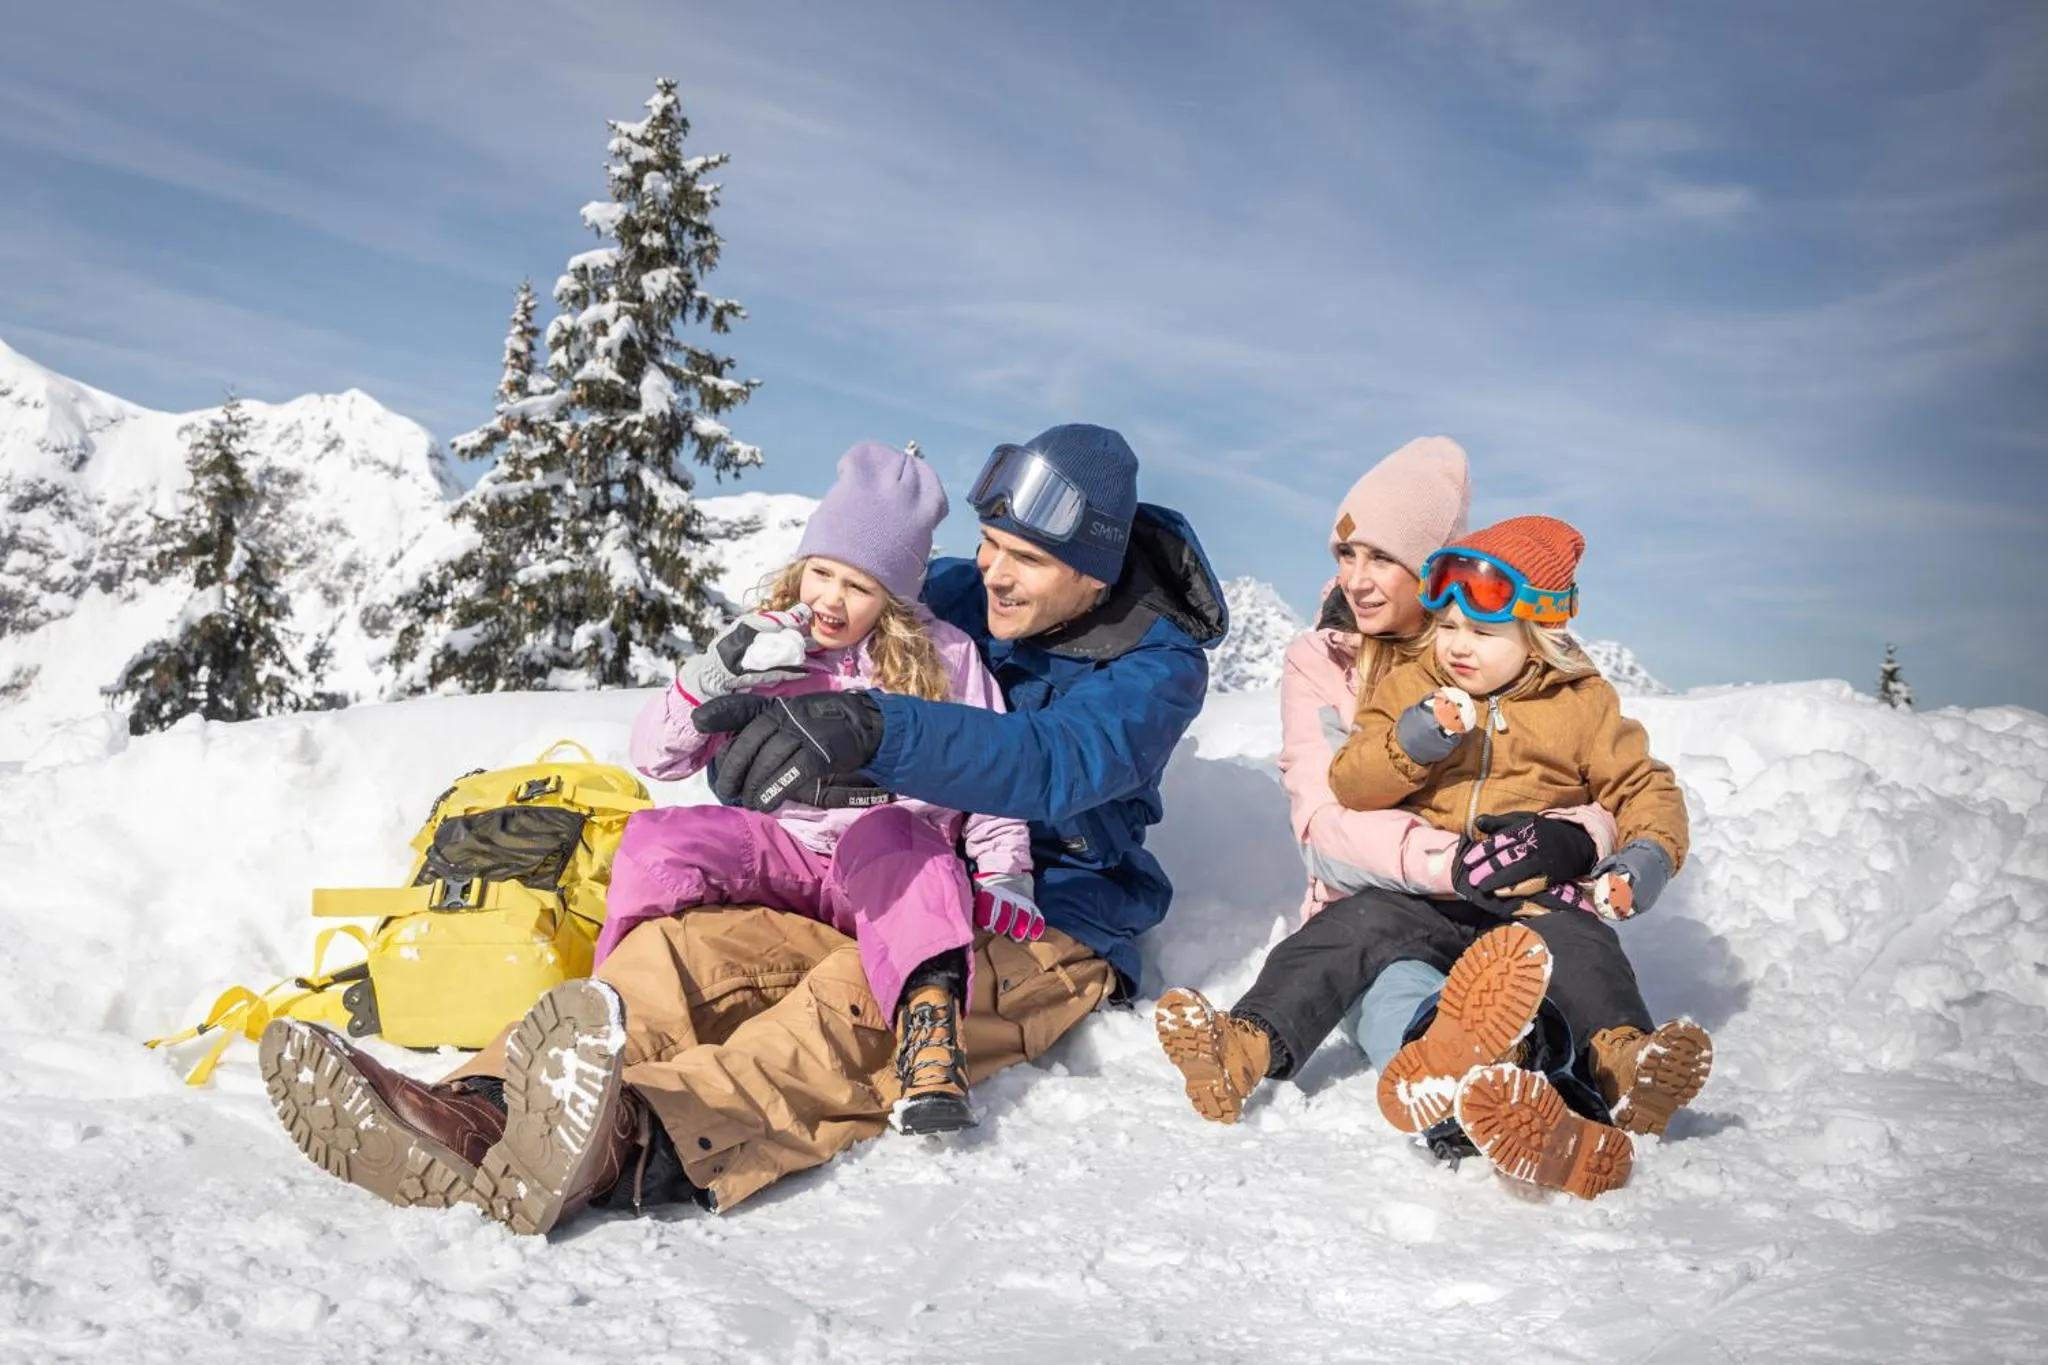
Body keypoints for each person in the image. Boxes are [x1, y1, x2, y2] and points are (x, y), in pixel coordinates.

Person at [260, 423, 1227, 1234]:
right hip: (864, 869)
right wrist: (756, 719)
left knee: (844, 1010)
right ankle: (475, 1110)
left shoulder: (1160, 668)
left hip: (1039, 917)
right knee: (679, 954)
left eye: (1025, 560)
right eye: (987, 543)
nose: (988, 573)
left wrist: (872, 732)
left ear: (1093, 575)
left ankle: (630, 1137)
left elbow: (1049, 766)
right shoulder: (960, 593)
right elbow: (851, 615)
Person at [1158, 502, 1710, 1199]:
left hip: (1528, 897)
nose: (1456, 644)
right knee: (1337, 934)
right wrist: (1412, 743)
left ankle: (1626, 1065)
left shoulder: (1582, 704)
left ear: (1538, 635)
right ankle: (1246, 1045)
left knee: (1585, 952)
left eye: (1481, 630)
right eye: (1446, 625)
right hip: (1421, 894)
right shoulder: (1414, 686)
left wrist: (1644, 861)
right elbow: (1349, 781)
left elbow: (1642, 786)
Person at [592, 440, 1033, 1138]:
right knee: (657, 839)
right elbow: (655, 758)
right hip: (789, 851)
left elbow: (990, 770)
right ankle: (606, 1014)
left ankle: (930, 1040)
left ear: (892, 597)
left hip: (887, 864)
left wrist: (1007, 872)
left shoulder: (948, 656)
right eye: (820, 571)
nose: (830, 596)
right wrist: (706, 678)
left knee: (899, 836)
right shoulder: (770, 645)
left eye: (857, 586)